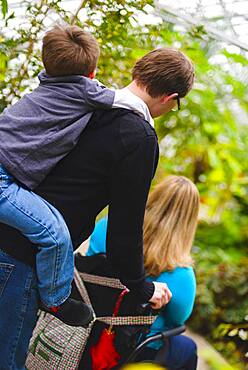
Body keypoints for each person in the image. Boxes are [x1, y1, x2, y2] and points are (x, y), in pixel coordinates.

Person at [0, 43, 194, 369]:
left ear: (138, 70)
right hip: (22, 257)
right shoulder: (139, 137)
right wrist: (142, 288)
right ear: (170, 98)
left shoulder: (87, 102)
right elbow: (125, 229)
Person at [0, 24, 156, 328]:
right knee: (54, 232)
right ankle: (57, 300)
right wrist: (145, 124)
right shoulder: (85, 93)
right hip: (3, 184)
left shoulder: (46, 88)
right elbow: (122, 100)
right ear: (93, 73)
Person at [87, 176, 199, 370]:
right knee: (188, 348)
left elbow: (90, 265)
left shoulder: (108, 226)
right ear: (190, 221)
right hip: (134, 350)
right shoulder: (181, 274)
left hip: (90, 328)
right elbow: (178, 319)